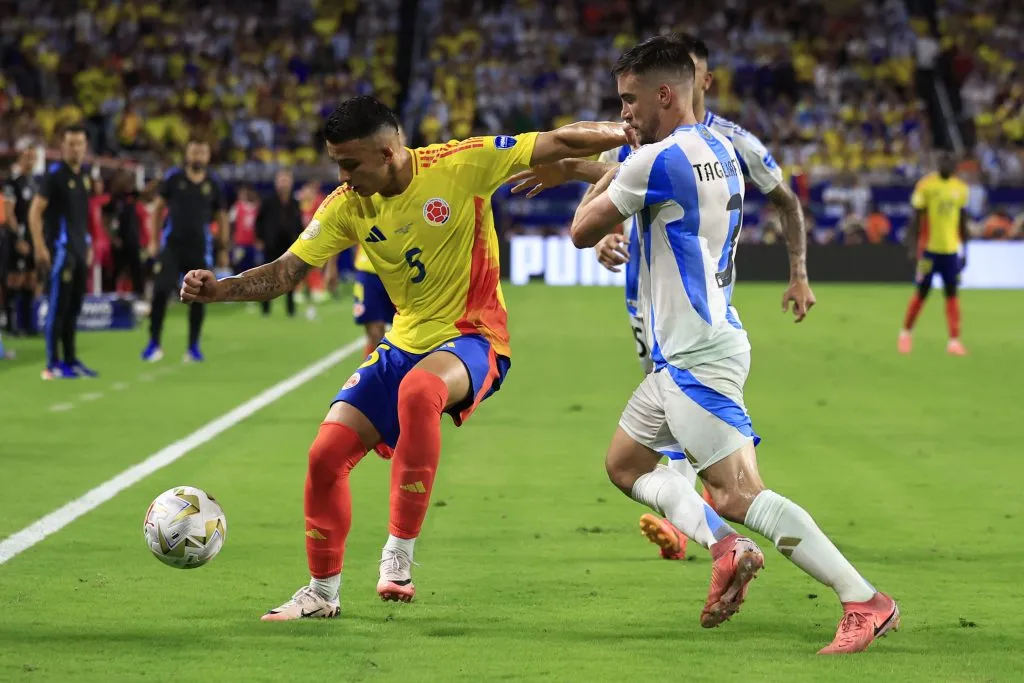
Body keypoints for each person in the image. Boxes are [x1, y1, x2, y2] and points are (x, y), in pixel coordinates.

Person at [179, 95, 631, 620]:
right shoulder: (347, 206)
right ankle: (321, 593)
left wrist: (629, 131)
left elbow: (560, 140)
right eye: (337, 164)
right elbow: (284, 273)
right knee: (325, 455)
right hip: (405, 341)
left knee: (421, 391)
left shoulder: (461, 163)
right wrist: (220, 290)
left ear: (390, 151)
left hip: (475, 335)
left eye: (351, 164)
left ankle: (399, 551)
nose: (343, 177)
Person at [562, 36, 897, 654]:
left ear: (665, 93)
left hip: (696, 355)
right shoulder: (719, 146)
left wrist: (615, 152)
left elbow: (583, 231)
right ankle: (723, 544)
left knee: (740, 492)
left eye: (630, 100)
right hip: (690, 349)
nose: (625, 113)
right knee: (625, 465)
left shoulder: (652, 159)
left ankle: (863, 599)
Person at [508, 32, 816, 563]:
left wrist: (799, 272)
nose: (631, 108)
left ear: (695, 83)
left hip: (696, 307)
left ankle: (710, 525)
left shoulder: (730, 140)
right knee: (664, 401)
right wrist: (605, 227)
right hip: (650, 291)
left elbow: (783, 201)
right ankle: (700, 520)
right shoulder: (644, 133)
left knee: (687, 410)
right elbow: (616, 182)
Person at [142, 138, 227, 363]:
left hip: (200, 248)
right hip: (172, 246)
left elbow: (221, 216)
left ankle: (193, 347)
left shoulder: (214, 183)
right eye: (194, 151)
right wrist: (153, 241)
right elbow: (157, 209)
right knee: (160, 290)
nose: (198, 156)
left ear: (208, 156)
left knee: (199, 297)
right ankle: (153, 342)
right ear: (187, 154)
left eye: (202, 151)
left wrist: (223, 246)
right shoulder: (173, 177)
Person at [28, 124, 97, 379]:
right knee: (58, 308)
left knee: (74, 308)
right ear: (62, 146)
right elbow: (35, 212)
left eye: (79, 143)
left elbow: (81, 217)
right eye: (70, 143)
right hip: (60, 252)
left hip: (79, 251)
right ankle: (51, 363)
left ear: (85, 146)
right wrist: (39, 246)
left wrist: (87, 244)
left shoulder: (83, 176)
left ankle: (70, 360)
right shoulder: (55, 175)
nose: (75, 148)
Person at [899, 152, 969, 355]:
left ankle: (954, 341)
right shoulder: (926, 186)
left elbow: (962, 221)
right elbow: (916, 218)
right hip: (929, 251)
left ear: (955, 165)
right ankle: (906, 333)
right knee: (922, 292)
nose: (946, 165)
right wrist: (913, 246)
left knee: (952, 294)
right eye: (943, 161)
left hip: (951, 251)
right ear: (938, 164)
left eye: (950, 161)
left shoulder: (960, 189)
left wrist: (966, 250)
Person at [3, 138, 40, 336]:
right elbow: (8, 214)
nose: (31, 161)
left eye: (33, 158)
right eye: (27, 157)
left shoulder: (33, 183)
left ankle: (28, 324)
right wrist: (18, 238)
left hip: (32, 237)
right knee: (15, 279)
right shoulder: (12, 182)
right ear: (20, 157)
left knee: (31, 279)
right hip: (17, 237)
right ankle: (12, 324)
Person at [254, 170, 303, 317]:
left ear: (291, 183)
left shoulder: (295, 203)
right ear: (276, 183)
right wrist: (260, 239)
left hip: (290, 245)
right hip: (271, 244)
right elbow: (258, 222)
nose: (284, 183)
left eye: (286, 180)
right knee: (268, 277)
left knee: (290, 276)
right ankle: (265, 309)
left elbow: (298, 223)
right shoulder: (268, 201)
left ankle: (290, 308)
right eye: (281, 180)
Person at [104, 170, 145, 296]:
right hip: (119, 242)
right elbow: (106, 218)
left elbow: (147, 193)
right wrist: (112, 237)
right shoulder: (114, 199)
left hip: (133, 240)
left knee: (137, 270)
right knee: (115, 271)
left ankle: (139, 296)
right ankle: (110, 296)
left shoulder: (132, 195)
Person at [352, 243, 395, 357]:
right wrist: (331, 266)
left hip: (398, 270)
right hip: (368, 270)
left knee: (407, 326)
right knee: (374, 329)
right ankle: (377, 368)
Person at [230, 185, 260, 276]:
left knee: (253, 269)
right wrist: (231, 239)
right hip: (240, 244)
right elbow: (230, 223)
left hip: (253, 245)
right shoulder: (237, 206)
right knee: (238, 267)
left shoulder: (258, 208)